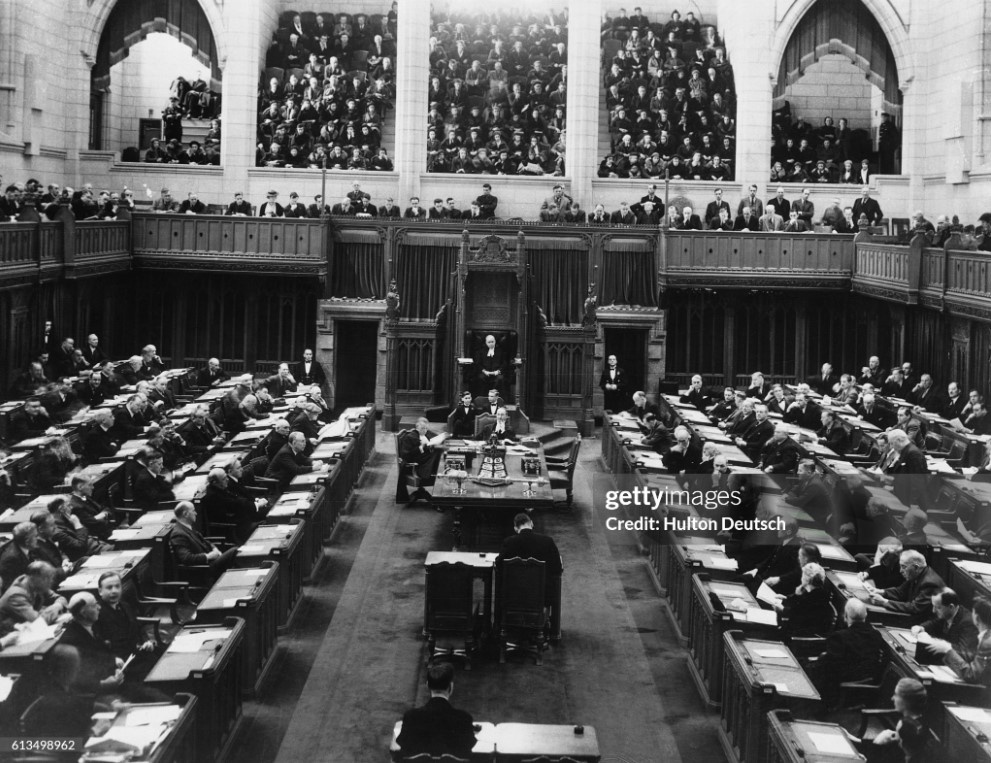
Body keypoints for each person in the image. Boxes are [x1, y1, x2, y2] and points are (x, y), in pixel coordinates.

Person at [810, 599, 887, 705]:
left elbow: (830, 668)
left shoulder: (839, 637)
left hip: (843, 680)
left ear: (845, 616)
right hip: (866, 678)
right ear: (866, 615)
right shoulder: (876, 635)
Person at [396, 662, 476, 758]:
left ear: (427, 685)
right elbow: (469, 747)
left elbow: (403, 744)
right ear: (451, 686)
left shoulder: (411, 716)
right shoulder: (464, 718)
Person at [856, 678, 936, 763]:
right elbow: (894, 750)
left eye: (896, 694)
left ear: (906, 701)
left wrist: (876, 745)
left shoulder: (905, 725)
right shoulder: (918, 721)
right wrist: (856, 740)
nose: (892, 698)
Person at [499, 513, 563, 606]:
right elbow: (557, 569)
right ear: (532, 523)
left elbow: (499, 565)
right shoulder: (547, 542)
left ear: (516, 529)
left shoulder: (508, 542)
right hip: (541, 597)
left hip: (514, 597)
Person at [867, 550, 945, 623]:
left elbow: (915, 607)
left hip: (923, 624)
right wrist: (881, 592)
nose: (900, 570)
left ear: (916, 567)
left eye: (904, 567)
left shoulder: (930, 583)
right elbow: (900, 592)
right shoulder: (916, 574)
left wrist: (884, 602)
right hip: (913, 617)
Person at [168, 502, 238, 574]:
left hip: (211, 562)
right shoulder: (178, 534)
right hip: (205, 569)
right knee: (235, 551)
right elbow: (186, 558)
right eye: (193, 511)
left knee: (235, 554)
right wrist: (208, 556)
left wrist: (214, 549)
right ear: (185, 514)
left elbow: (205, 541)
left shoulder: (187, 527)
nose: (196, 513)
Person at [0, 561, 68, 634]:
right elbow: (38, 622)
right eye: (46, 578)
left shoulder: (36, 585)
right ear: (33, 577)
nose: (50, 582)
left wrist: (55, 606)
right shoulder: (15, 596)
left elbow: (61, 598)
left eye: (50, 578)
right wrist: (57, 606)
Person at [910, 588, 979, 659]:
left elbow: (965, 653)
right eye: (933, 606)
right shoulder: (947, 613)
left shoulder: (968, 622)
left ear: (951, 607)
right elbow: (934, 623)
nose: (933, 610)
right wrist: (921, 627)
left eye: (938, 607)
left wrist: (944, 645)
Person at [201, 467, 265, 543]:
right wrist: (254, 505)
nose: (228, 480)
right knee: (264, 523)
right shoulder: (213, 495)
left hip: (240, 519)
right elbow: (235, 503)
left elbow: (236, 499)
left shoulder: (218, 488)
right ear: (215, 482)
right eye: (224, 479)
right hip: (233, 527)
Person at [772, 562, 834, 637]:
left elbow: (800, 616)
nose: (801, 577)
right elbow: (797, 604)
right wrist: (785, 598)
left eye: (803, 575)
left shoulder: (817, 596)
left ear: (807, 579)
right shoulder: (808, 589)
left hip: (802, 633)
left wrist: (783, 610)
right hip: (797, 625)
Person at [396, 418, 445, 503]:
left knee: (439, 453)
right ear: (417, 428)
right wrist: (420, 447)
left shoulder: (424, 435)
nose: (425, 430)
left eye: (426, 428)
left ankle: (441, 471)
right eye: (423, 428)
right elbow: (406, 455)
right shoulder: (410, 437)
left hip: (423, 460)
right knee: (438, 455)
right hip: (417, 465)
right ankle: (439, 472)